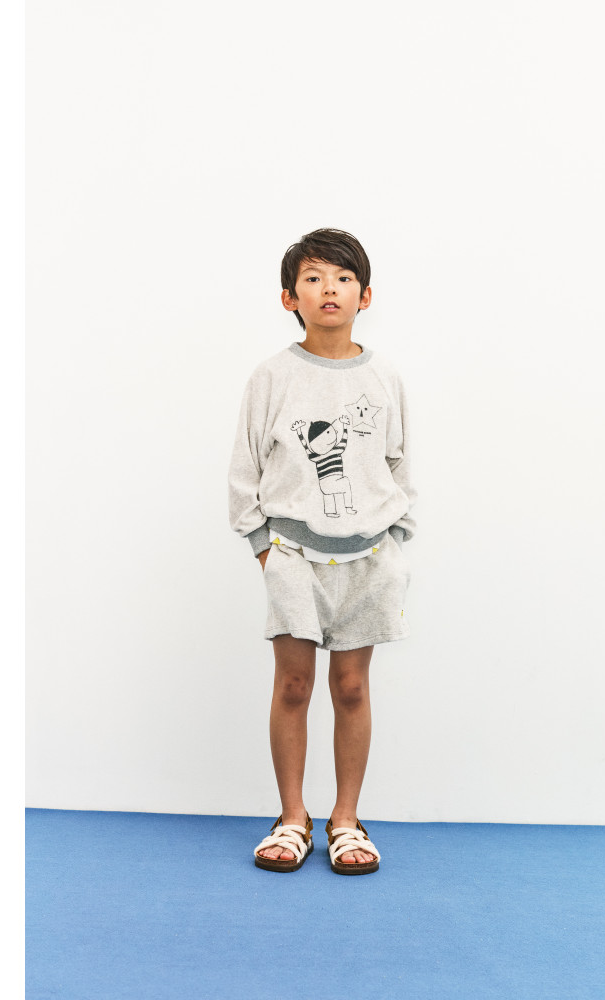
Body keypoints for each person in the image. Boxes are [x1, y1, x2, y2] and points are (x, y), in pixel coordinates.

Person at [228, 229, 416, 875]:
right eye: (312, 278)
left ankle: (345, 818)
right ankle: (292, 817)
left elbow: (400, 464)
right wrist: (265, 548)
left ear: (365, 296)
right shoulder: (272, 377)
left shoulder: (385, 377)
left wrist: (396, 540)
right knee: (294, 685)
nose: (328, 289)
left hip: (369, 559)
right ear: (290, 298)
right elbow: (245, 469)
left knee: (352, 687)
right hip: (293, 556)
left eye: (342, 278)